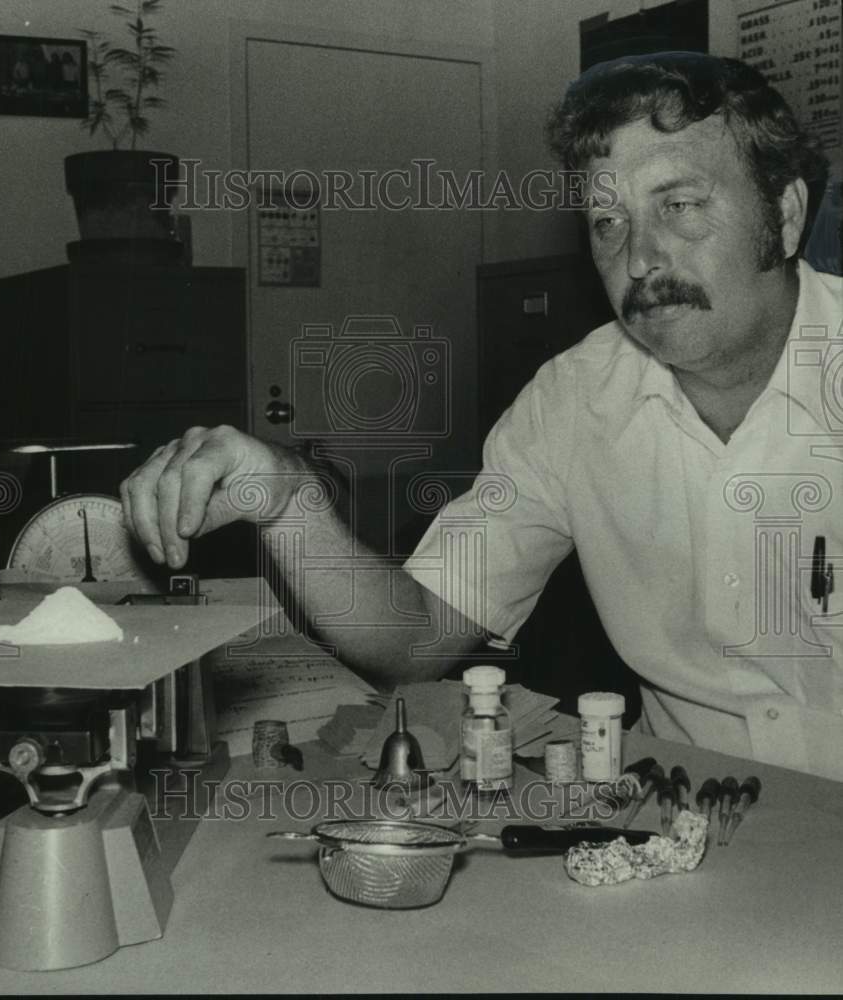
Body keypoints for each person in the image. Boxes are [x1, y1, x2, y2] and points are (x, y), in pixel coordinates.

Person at [120, 53, 842, 779]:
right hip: (694, 807)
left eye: (680, 206)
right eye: (607, 221)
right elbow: (417, 637)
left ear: (783, 217)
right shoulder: (573, 399)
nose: (639, 258)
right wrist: (287, 501)